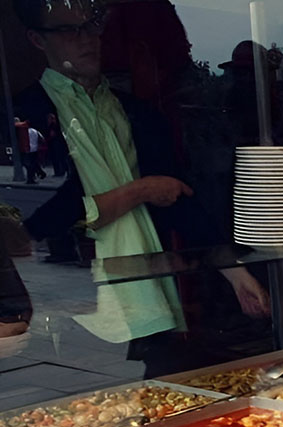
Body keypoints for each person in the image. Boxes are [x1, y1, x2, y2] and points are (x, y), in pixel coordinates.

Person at [14, 0, 269, 376]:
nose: (87, 39)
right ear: (38, 40)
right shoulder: (25, 115)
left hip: (152, 301)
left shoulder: (135, 111)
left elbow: (176, 197)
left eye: (91, 26)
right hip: (78, 313)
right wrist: (139, 191)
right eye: (70, 30)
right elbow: (31, 226)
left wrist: (233, 272)